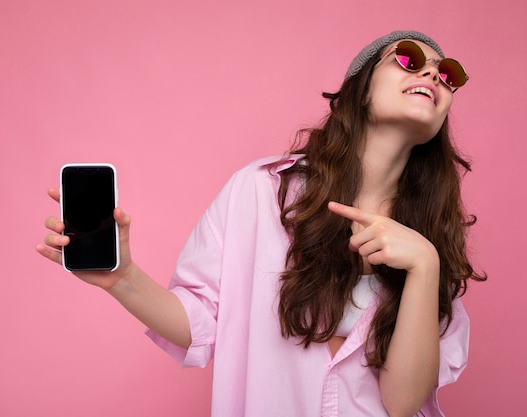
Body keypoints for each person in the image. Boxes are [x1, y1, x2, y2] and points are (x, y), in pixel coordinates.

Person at [37, 30, 486, 417]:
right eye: (408, 59)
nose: (432, 75)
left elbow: (404, 403)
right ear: (361, 88)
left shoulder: (435, 234)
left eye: (447, 74)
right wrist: (123, 279)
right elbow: (200, 325)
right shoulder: (259, 192)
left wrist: (425, 264)